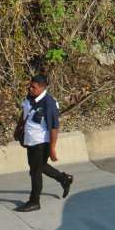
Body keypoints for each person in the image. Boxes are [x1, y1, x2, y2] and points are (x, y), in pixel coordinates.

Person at [14, 74, 73, 212]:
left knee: (35, 171)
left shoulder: (49, 103)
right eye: (30, 85)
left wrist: (52, 148)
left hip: (42, 142)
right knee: (39, 166)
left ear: (42, 87)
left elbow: (54, 128)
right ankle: (64, 179)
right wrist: (18, 128)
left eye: (33, 87)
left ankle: (34, 201)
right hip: (30, 140)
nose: (30, 88)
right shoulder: (30, 98)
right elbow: (24, 112)